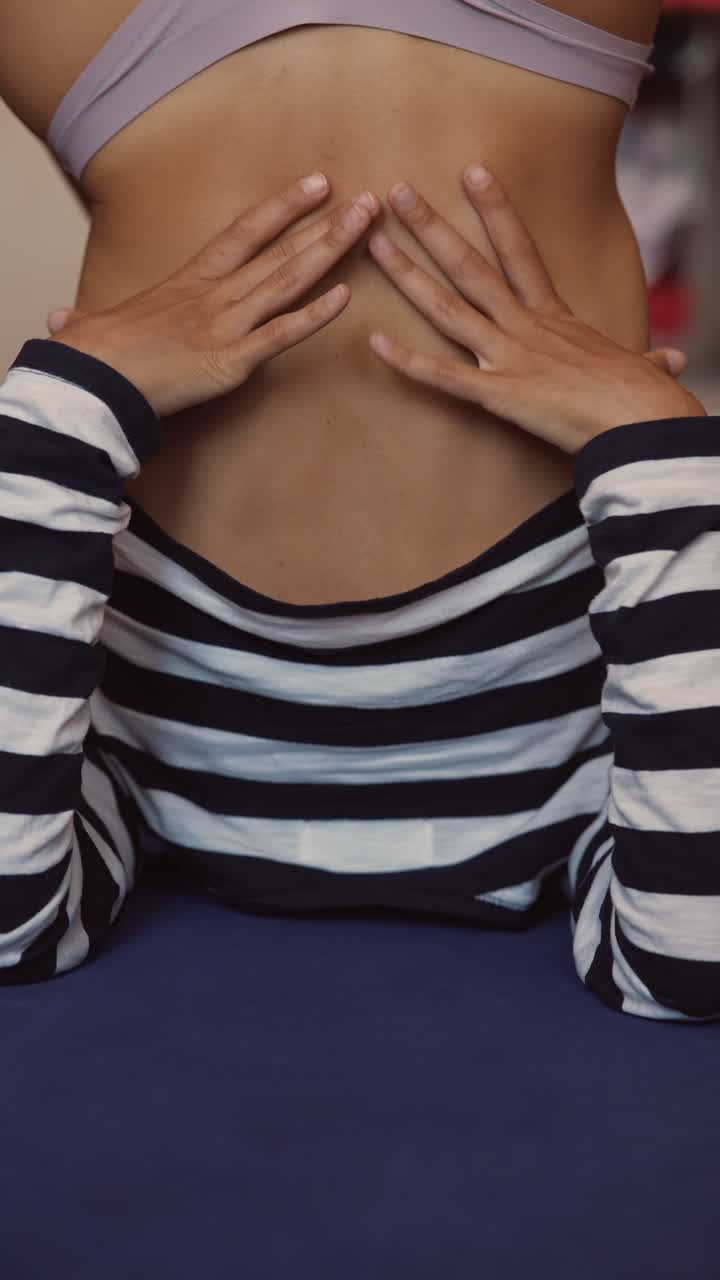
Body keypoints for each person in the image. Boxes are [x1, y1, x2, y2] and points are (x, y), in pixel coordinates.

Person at [1, 2, 718, 1018]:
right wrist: (659, 440)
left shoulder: (134, 788)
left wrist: (69, 408)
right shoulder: (591, 789)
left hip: (123, 69)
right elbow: (696, 956)